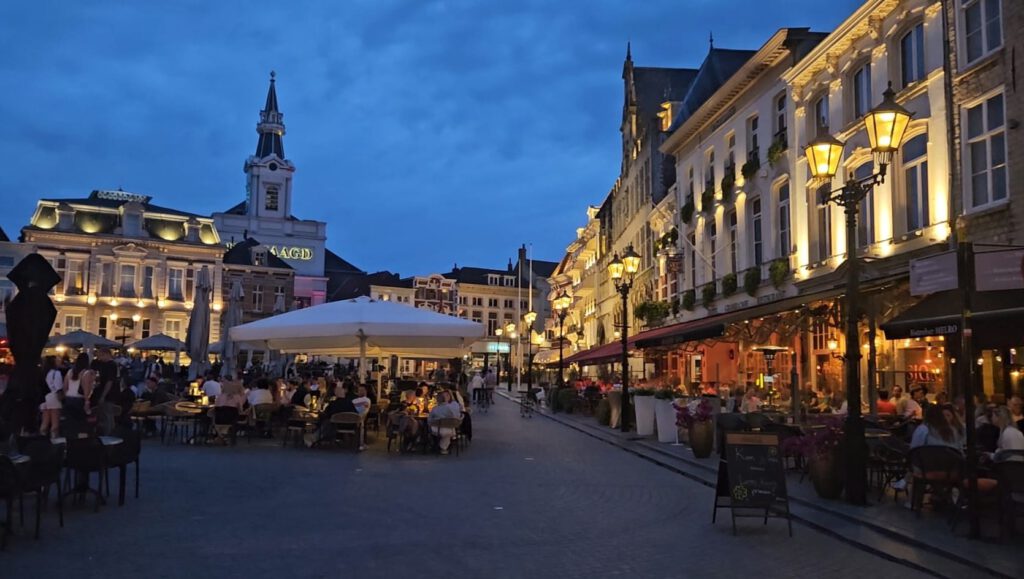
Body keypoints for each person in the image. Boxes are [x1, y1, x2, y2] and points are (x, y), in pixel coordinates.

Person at [90, 348, 119, 435]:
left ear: (106, 354)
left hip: (108, 394)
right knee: (103, 414)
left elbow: (110, 381)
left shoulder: (111, 365)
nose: (99, 358)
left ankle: (109, 434)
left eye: (100, 355)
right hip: (102, 392)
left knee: (107, 415)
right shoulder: (101, 364)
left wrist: (103, 395)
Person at [63, 352, 94, 421]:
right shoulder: (86, 373)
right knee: (80, 421)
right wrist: (87, 401)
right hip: (79, 398)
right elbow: (85, 388)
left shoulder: (70, 371)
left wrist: (66, 394)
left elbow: (65, 386)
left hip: (69, 397)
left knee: (70, 420)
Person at [39, 356, 63, 439]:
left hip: (43, 398)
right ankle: (54, 439)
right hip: (53, 397)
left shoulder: (42, 372)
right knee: (55, 423)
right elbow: (58, 387)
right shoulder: (56, 373)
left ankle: (42, 438)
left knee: (45, 421)